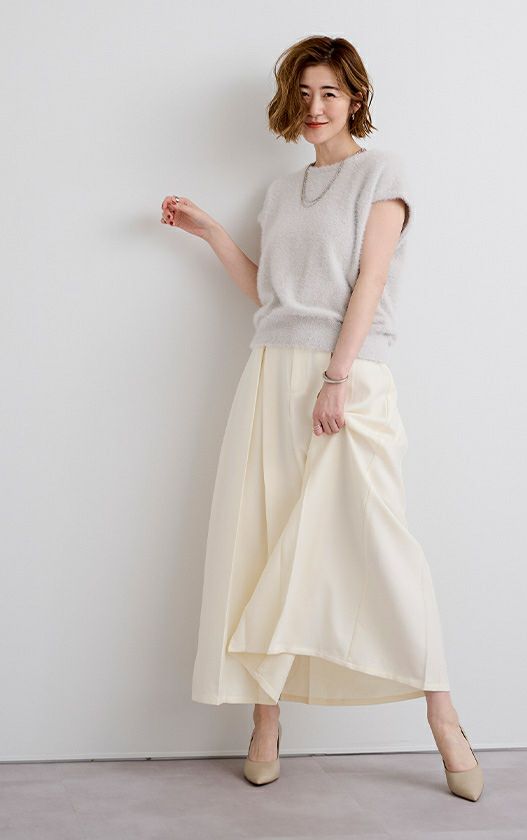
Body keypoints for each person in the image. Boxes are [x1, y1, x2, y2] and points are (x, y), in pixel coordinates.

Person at [159, 35, 483, 802]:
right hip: (272, 372)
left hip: (348, 376)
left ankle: (445, 720)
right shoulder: (280, 192)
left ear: (355, 98)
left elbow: (369, 281)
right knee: (263, 542)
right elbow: (272, 296)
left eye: (330, 92)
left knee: (380, 543)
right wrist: (212, 233)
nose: (315, 107)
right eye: (303, 93)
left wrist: (337, 378)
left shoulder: (382, 174)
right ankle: (265, 726)